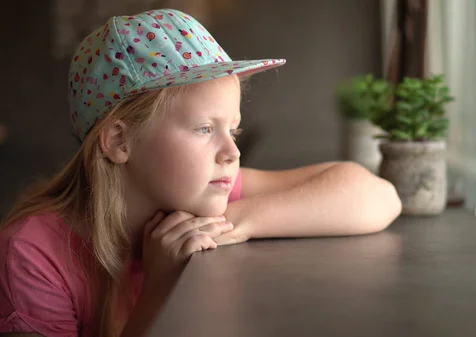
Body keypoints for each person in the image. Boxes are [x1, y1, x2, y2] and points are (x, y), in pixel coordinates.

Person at [0, 8, 401, 337]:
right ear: (119, 142)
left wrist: (229, 224)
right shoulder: (31, 257)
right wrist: (158, 292)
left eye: (234, 129)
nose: (232, 152)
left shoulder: (201, 199)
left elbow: (378, 195)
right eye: (205, 129)